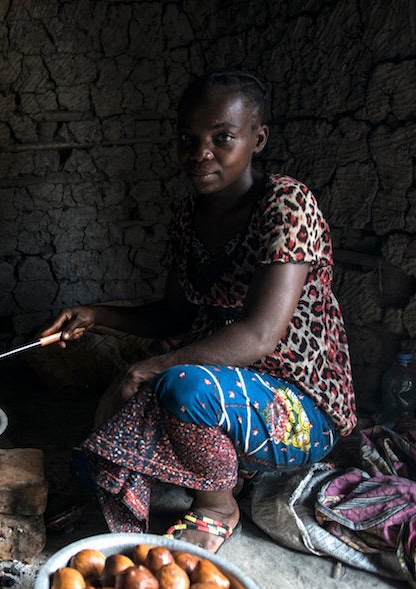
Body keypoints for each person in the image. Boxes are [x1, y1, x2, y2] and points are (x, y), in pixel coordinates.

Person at [40, 68, 356, 552]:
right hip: (217, 385)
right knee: (96, 457)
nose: (200, 153)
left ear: (258, 139)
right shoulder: (188, 216)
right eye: (188, 138)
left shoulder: (287, 205)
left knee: (180, 385)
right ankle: (223, 470)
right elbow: (175, 317)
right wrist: (96, 315)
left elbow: (258, 337)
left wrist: (145, 370)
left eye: (222, 137)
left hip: (297, 405)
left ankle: (217, 507)